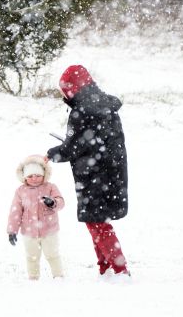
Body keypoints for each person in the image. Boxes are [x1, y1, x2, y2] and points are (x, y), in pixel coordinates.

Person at [47, 65, 131, 276]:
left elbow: (73, 147)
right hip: (112, 173)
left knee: (97, 223)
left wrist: (52, 153)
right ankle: (106, 268)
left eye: (65, 89)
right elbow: (97, 142)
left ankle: (120, 270)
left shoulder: (81, 111)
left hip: (93, 175)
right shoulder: (105, 106)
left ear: (73, 88)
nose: (63, 94)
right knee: (98, 222)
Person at [7, 154, 66, 280]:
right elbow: (15, 212)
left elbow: (61, 202)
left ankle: (58, 276)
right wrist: (12, 230)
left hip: (49, 230)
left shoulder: (50, 187)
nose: (34, 178)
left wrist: (52, 202)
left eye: (38, 175)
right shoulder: (20, 191)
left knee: (52, 254)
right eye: (30, 176)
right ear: (24, 177)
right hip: (29, 232)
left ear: (44, 174)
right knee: (31, 256)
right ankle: (33, 277)